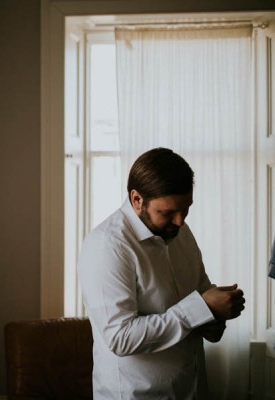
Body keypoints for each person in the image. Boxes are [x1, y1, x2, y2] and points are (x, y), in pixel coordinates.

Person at [78, 147, 245, 400]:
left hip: (191, 388)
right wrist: (200, 307)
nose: (180, 221)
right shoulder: (107, 247)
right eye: (167, 213)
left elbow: (200, 289)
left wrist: (214, 317)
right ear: (136, 200)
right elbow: (120, 337)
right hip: (138, 395)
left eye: (185, 209)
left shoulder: (180, 231)